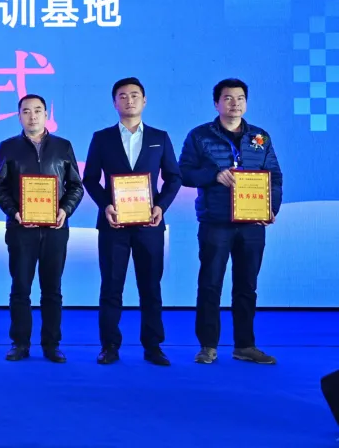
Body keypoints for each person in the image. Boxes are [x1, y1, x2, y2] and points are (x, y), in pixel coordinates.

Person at [179, 78, 282, 365]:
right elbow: (183, 173)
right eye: (227, 98)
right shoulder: (199, 136)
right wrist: (213, 175)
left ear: (246, 103)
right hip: (216, 222)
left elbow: (274, 176)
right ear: (216, 103)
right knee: (210, 284)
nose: (234, 103)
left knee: (247, 286)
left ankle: (245, 345)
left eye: (240, 98)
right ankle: (208, 346)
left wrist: (270, 208)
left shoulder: (260, 137)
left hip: (252, 223)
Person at [82, 78, 182, 366]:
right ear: (114, 103)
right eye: (123, 96)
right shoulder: (102, 138)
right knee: (111, 287)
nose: (129, 100)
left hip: (149, 225)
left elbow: (174, 177)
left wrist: (161, 206)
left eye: (135, 95)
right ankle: (109, 346)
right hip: (113, 225)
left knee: (150, 287)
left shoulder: (159, 137)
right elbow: (90, 179)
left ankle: (153, 346)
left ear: (145, 100)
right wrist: (106, 205)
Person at [0, 94, 83, 363]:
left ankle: (51, 344)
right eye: (26, 111)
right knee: (20, 287)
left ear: (46, 115)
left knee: (52, 289)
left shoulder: (63, 146)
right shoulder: (8, 147)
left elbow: (76, 186)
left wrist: (65, 210)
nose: (32, 116)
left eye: (38, 111)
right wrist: (14, 212)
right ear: (19, 116)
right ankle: (20, 343)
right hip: (21, 228)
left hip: (55, 229)